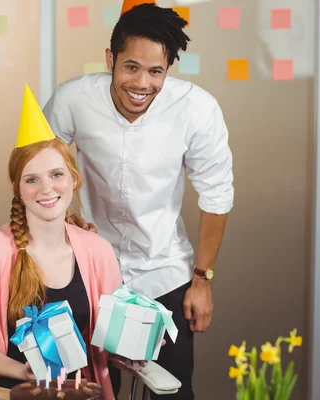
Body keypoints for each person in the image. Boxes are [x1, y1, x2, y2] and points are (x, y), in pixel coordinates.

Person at [42, 3, 234, 398]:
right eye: (131, 67)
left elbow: (216, 193)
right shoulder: (73, 98)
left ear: (168, 69)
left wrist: (202, 280)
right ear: (110, 58)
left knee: (172, 390)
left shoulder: (197, 110)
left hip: (166, 271)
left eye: (156, 71)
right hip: (89, 267)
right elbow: (39, 168)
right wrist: (66, 218)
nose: (142, 83)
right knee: (76, 386)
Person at [0, 85, 144, 399]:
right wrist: (26, 372)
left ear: (73, 179)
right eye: (32, 179)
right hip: (13, 391)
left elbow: (110, 343)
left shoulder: (98, 251)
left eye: (56, 175)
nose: (47, 189)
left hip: (78, 392)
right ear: (18, 189)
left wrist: (134, 343)